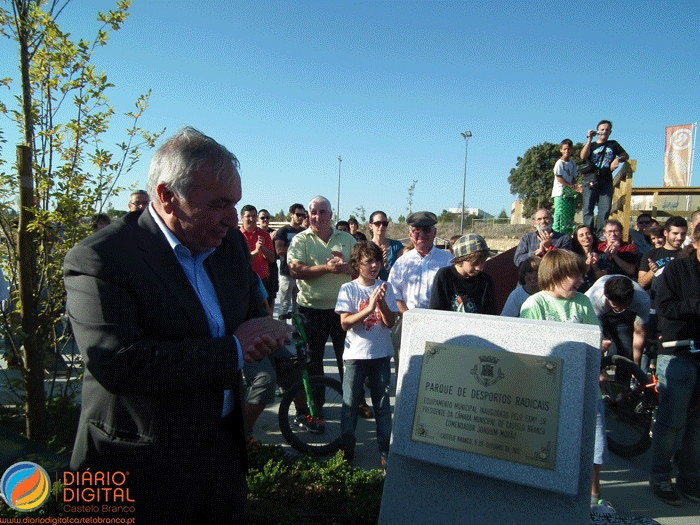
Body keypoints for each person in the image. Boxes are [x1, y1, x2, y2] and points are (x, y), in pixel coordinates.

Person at [63, 127, 291, 524]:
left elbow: (251, 315)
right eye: (219, 204)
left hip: (221, 455)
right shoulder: (100, 258)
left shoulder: (228, 244)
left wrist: (268, 334)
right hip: (137, 466)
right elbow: (118, 363)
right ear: (167, 196)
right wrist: (233, 349)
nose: (232, 219)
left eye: (235, 204)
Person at [519, 249, 613, 515]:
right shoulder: (534, 305)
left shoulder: (582, 302)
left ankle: (594, 499)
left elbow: (594, 339)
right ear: (557, 274)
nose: (581, 281)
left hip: (586, 390)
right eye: (576, 276)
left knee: (594, 447)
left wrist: (599, 353)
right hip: (551, 392)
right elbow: (532, 349)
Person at [288, 197, 374, 418]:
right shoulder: (300, 240)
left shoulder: (346, 238)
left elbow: (362, 266)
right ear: (308, 215)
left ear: (331, 214)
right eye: (314, 212)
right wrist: (326, 268)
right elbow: (295, 270)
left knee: (349, 359)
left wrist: (349, 268)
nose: (318, 216)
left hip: (344, 310)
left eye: (322, 212)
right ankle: (316, 404)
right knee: (313, 361)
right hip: (311, 310)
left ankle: (356, 401)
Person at [649, 223, 700, 505]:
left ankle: (690, 478)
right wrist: (695, 305)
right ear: (696, 243)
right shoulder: (677, 269)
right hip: (679, 352)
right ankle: (660, 476)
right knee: (671, 422)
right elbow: (664, 307)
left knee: (697, 425)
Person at [335, 241, 397, 470]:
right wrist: (369, 308)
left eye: (377, 260)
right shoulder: (348, 289)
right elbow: (345, 323)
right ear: (357, 265)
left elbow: (390, 323)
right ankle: (346, 447)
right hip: (355, 355)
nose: (374, 265)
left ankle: (385, 450)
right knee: (350, 404)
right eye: (368, 261)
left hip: (380, 355)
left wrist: (381, 304)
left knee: (382, 405)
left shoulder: (385, 287)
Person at [388, 211, 452, 370]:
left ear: (435, 233)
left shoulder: (448, 261)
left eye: (427, 230)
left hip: (439, 326)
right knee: (405, 371)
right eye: (416, 231)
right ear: (410, 235)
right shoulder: (402, 263)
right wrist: (411, 318)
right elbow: (394, 294)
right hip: (407, 323)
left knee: (436, 371)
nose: (422, 235)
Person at [637, 216, 687, 373]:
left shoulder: (687, 256)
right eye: (675, 233)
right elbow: (641, 283)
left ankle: (661, 379)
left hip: (674, 310)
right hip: (652, 307)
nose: (679, 237)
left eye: (683, 234)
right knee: (646, 347)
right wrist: (653, 272)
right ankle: (640, 379)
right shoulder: (651, 254)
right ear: (666, 233)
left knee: (667, 348)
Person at [586, 275, 649, 370]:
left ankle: (624, 377)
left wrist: (636, 368)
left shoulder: (642, 300)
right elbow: (594, 337)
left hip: (624, 316)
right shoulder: (594, 299)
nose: (619, 309)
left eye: (623, 305)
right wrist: (601, 373)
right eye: (615, 305)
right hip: (598, 312)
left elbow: (639, 333)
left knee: (626, 350)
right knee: (597, 346)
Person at [580, 120, 629, 239]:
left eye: (607, 130)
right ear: (597, 131)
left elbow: (625, 155)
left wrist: (618, 159)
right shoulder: (592, 145)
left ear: (610, 132)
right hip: (590, 179)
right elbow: (583, 156)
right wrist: (589, 139)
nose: (604, 132)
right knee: (588, 208)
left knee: (605, 209)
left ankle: (600, 235)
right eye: (602, 129)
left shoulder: (613, 144)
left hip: (606, 179)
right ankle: (588, 233)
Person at [429, 234, 496, 314]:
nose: (479, 268)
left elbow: (490, 313)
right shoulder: (444, 276)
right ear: (460, 259)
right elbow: (436, 310)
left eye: (483, 262)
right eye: (474, 263)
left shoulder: (486, 280)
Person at [240, 205, 276, 307]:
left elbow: (272, 259)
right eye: (248, 216)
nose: (251, 219)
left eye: (254, 216)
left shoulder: (264, 235)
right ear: (241, 218)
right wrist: (256, 251)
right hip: (245, 281)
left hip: (263, 280)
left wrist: (263, 248)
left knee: (266, 311)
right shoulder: (238, 235)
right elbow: (242, 260)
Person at [274, 203, 306, 320]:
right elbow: (279, 250)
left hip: (301, 274)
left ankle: (296, 329)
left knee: (298, 306)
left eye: (303, 215)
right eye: (298, 214)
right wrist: (296, 251)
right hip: (286, 273)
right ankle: (281, 330)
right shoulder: (283, 231)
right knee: (284, 304)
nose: (300, 217)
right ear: (291, 215)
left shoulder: (304, 232)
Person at [551, 139, 582, 236]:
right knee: (559, 214)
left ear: (571, 150)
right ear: (561, 150)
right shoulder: (559, 163)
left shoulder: (572, 163)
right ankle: (556, 234)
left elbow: (573, 178)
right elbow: (559, 178)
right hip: (560, 193)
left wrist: (576, 187)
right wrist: (572, 186)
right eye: (564, 149)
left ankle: (567, 235)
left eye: (568, 149)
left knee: (569, 214)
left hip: (570, 193)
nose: (566, 151)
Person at [368, 210, 404, 281]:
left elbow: (401, 271)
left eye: (384, 223)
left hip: (392, 285)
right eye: (377, 223)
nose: (381, 226)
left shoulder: (396, 246)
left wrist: (386, 266)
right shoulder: (366, 247)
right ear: (370, 226)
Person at [571, 224, 605, 292]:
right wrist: (587, 265)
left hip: (597, 291)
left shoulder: (602, 255)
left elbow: (603, 279)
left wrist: (594, 265)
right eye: (581, 235)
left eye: (588, 234)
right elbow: (574, 278)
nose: (586, 237)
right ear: (577, 240)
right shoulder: (573, 257)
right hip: (579, 291)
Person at [257, 208, 279, 310]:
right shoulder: (256, 233)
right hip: (260, 270)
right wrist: (268, 239)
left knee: (272, 296)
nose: (265, 220)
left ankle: (271, 316)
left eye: (267, 217)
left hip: (272, 268)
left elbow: (277, 252)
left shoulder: (275, 233)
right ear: (258, 219)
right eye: (262, 218)